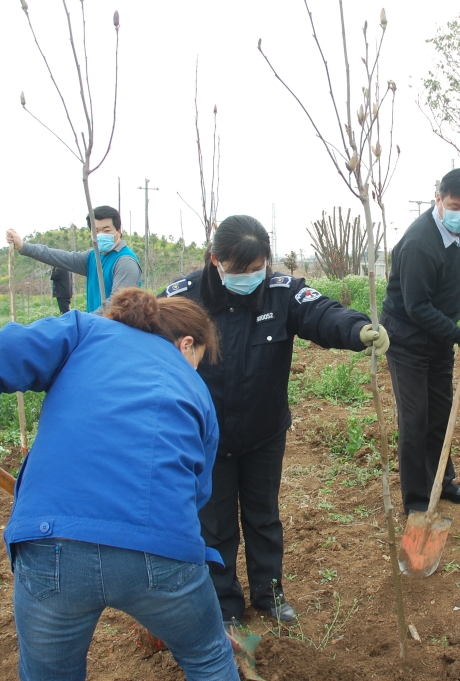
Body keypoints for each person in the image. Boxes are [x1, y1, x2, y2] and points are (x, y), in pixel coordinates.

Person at [0, 288, 239, 681]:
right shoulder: (196, 391)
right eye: (199, 360)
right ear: (187, 344)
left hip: (52, 544)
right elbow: (197, 491)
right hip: (163, 549)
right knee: (208, 657)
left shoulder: (84, 332)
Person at [160, 215, 389, 628]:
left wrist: (358, 330)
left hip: (264, 432)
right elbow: (141, 334)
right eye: (239, 271)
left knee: (263, 516)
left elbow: (322, 313)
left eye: (257, 269)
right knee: (214, 523)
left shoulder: (282, 292)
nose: (250, 277)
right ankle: (224, 604)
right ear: (216, 261)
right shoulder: (184, 299)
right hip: (206, 437)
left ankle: (271, 594)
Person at [381, 168, 460, 514]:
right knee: (415, 418)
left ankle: (442, 483)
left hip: (437, 336)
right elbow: (417, 307)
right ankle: (418, 502)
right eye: (454, 206)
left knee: (440, 413)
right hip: (407, 339)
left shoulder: (458, 226)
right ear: (439, 199)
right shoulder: (420, 244)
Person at [6, 206, 141, 313]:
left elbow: (116, 306)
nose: (101, 235)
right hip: (97, 331)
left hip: (116, 335)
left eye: (106, 230)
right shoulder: (93, 257)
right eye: (96, 231)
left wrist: (81, 322)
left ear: (118, 230)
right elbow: (61, 257)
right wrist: (23, 246)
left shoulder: (125, 262)